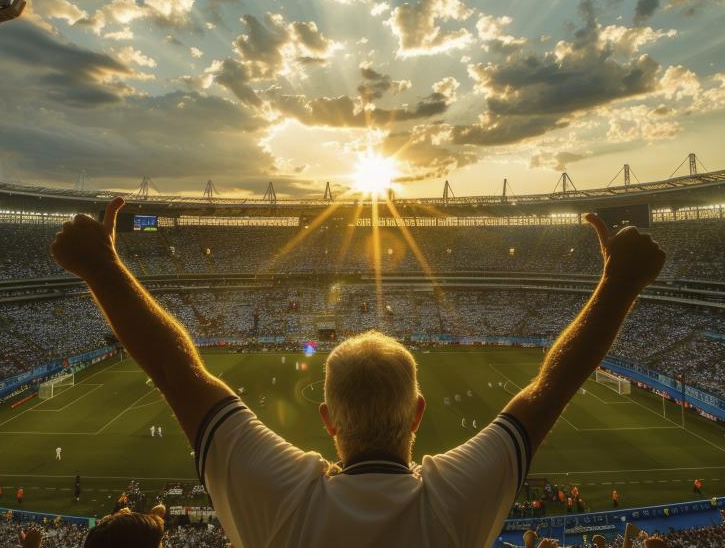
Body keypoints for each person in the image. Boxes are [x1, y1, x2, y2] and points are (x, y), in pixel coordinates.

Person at [51, 200, 663, 548]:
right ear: (419, 412)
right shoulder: (452, 503)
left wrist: (103, 268)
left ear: (327, 420)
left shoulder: (286, 503)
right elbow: (550, 389)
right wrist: (619, 282)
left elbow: (177, 369)